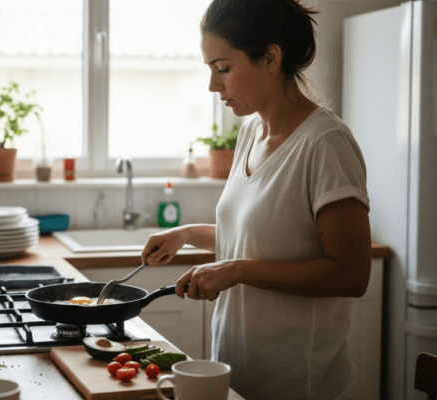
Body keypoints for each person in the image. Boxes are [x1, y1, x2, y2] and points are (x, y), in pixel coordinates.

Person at [140, 0, 371, 399]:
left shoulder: (325, 144)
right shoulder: (250, 134)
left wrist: (237, 271)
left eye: (223, 68)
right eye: (210, 69)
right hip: (240, 373)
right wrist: (186, 234)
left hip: (299, 384)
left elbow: (350, 274)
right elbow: (265, 233)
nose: (213, 85)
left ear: (270, 58)